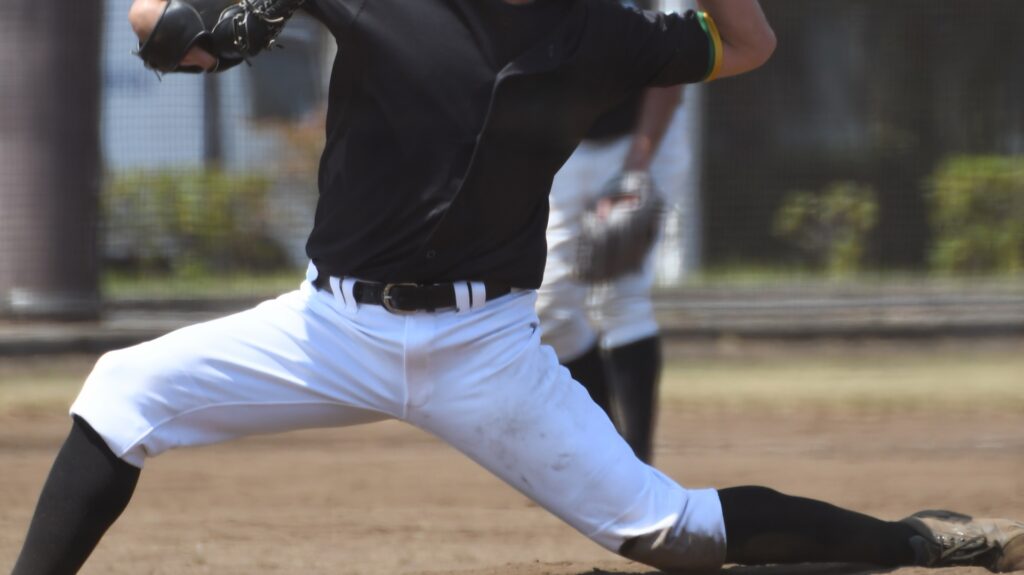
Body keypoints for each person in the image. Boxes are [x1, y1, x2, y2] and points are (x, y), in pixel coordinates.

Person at [11, 1, 1024, 574]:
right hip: (327, 324)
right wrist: (179, 24)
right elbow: (160, 21)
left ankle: (921, 538)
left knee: (676, 536)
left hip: (483, 346)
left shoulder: (605, 30)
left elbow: (748, 42)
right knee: (121, 390)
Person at [537, 0, 687, 460]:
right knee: (550, 307)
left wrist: (637, 166)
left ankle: (636, 459)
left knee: (622, 295)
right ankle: (610, 450)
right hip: (563, 143)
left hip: (639, 139)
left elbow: (676, 62)